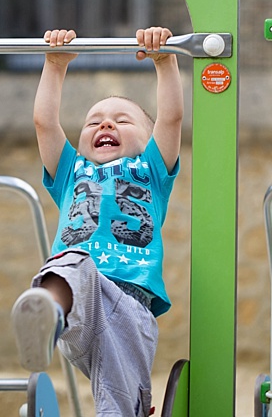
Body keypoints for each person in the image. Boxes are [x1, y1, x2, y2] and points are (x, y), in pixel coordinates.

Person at [12, 27, 181, 416]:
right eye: (93, 122)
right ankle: (45, 315)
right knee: (72, 261)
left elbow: (171, 118)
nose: (105, 125)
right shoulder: (72, 171)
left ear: (149, 139)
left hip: (130, 305)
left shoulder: (151, 169)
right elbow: (45, 123)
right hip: (77, 302)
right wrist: (54, 65)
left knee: (122, 407)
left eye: (122, 120)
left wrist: (165, 60)